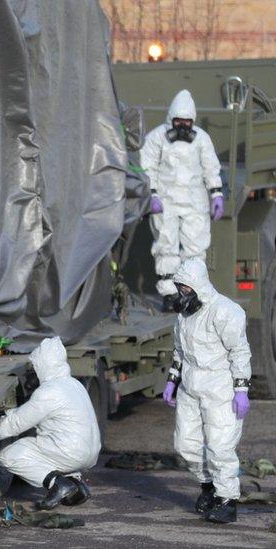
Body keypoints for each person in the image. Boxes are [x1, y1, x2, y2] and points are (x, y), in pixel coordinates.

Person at [162, 258, 251, 524]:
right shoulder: (184, 315)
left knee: (220, 446)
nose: (182, 293)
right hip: (190, 387)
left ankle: (227, 500)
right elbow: (179, 350)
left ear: (198, 285)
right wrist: (172, 379)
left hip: (220, 388)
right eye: (179, 288)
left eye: (185, 288)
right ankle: (208, 486)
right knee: (184, 445)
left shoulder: (226, 311)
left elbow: (240, 352)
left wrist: (241, 389)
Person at [0, 337, 101, 510]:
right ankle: (76, 484)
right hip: (90, 453)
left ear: (44, 365)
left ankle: (58, 485)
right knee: (46, 442)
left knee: (10, 456)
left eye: (36, 366)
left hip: (71, 452)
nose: (35, 370)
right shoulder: (74, 384)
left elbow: (19, 421)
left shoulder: (49, 392)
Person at [140, 89, 224, 312]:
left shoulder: (202, 140)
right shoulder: (157, 137)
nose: (183, 126)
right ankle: (169, 294)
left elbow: (211, 168)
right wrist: (153, 194)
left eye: (187, 121)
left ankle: (192, 292)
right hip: (165, 202)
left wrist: (217, 194)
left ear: (192, 120)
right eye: (179, 120)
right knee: (165, 247)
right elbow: (147, 166)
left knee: (195, 249)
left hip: (194, 202)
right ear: (171, 119)